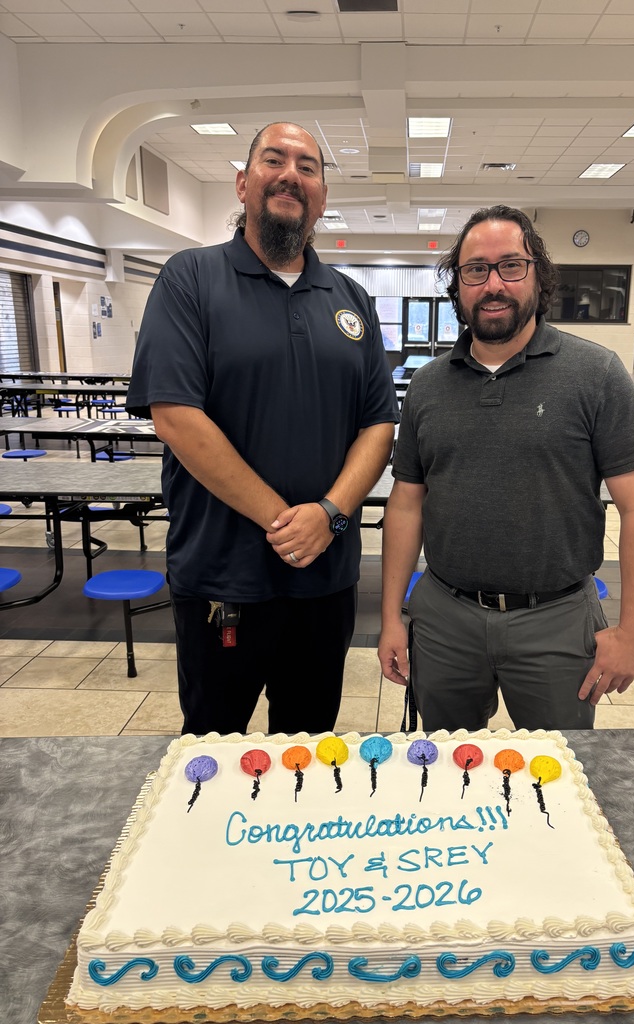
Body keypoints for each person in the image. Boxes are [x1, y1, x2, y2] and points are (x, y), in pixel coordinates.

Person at [127, 122, 398, 736]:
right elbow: (175, 415)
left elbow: (379, 421)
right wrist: (286, 519)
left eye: (308, 166)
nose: (291, 175)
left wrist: (328, 514)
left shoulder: (351, 297)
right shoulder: (189, 279)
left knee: (307, 749)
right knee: (212, 752)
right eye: (274, 160)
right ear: (244, 184)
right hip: (224, 578)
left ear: (322, 197)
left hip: (324, 579)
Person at [378, 205, 634, 732]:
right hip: (444, 617)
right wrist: (392, 616)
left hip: (556, 621)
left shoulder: (595, 373)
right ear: (457, 284)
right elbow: (406, 503)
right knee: (443, 770)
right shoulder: (428, 385)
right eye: (475, 269)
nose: (493, 284)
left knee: (559, 779)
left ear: (539, 275)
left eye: (511, 265)